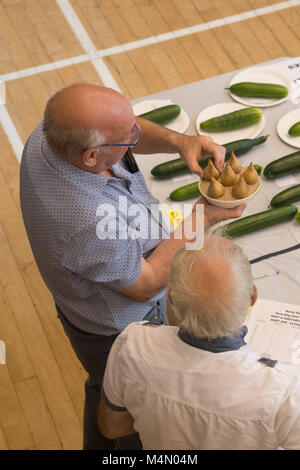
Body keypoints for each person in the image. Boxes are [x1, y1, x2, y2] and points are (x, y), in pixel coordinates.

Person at [19, 83, 245, 450]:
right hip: (117, 331)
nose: (135, 137)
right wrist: (201, 219)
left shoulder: (52, 134)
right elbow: (148, 282)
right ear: (92, 156)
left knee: (105, 389)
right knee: (133, 419)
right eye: (129, 139)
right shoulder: (84, 221)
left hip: (104, 293)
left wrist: (179, 142)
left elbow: (122, 128)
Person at [99, 236, 300, 450]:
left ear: (172, 299)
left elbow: (112, 427)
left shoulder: (132, 344)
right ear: (252, 297)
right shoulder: (286, 393)